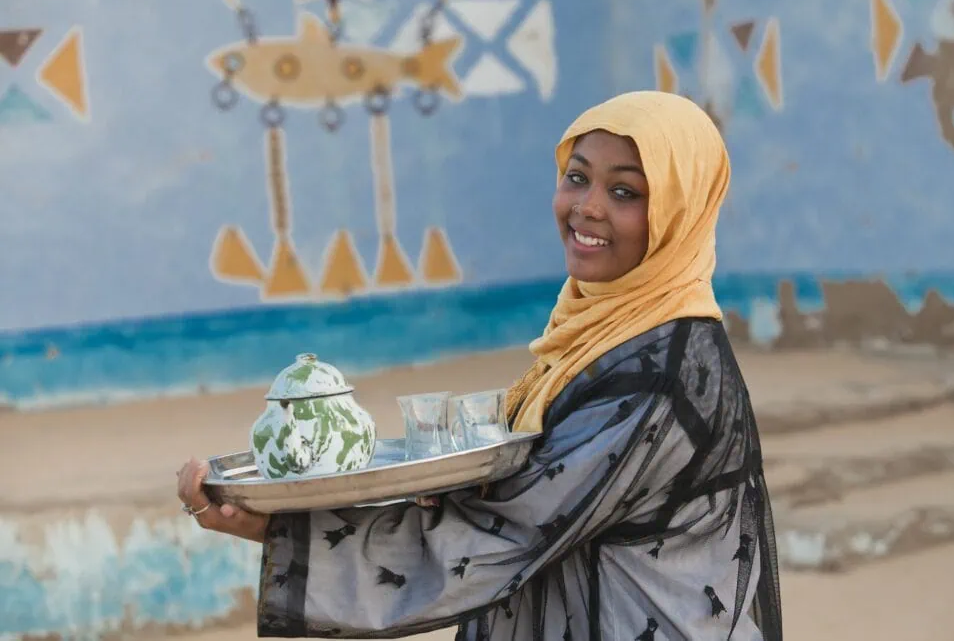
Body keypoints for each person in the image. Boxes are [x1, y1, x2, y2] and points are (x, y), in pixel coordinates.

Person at [177, 90, 783, 640]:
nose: (588, 207)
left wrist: (274, 531)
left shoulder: (662, 372)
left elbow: (510, 531)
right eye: (577, 178)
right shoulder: (599, 334)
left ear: (682, 213)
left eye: (625, 191)